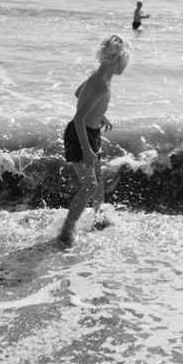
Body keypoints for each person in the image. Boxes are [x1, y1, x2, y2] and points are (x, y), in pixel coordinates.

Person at [59, 34, 132, 245]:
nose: (126, 66)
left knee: (98, 180)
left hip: (90, 133)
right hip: (79, 134)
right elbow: (79, 117)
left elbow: (78, 93)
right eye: (126, 61)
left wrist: (100, 114)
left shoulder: (100, 76)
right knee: (90, 185)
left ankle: (99, 218)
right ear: (118, 59)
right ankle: (68, 228)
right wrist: (87, 150)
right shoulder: (101, 83)